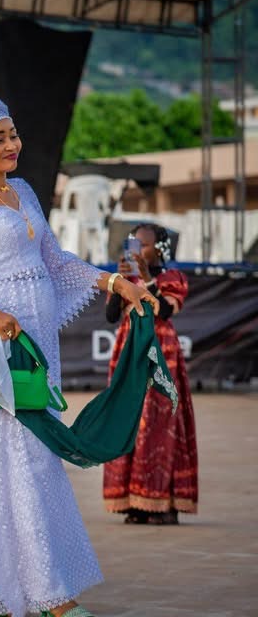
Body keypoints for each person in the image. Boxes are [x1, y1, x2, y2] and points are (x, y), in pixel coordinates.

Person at [0, 97, 158, 617]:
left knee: (32, 458)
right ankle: (48, 595)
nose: (12, 144)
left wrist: (115, 282)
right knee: (9, 459)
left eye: (13, 134)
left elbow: (54, 261)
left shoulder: (22, 192)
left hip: (38, 339)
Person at [103, 223, 198, 525]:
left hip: (161, 354)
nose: (136, 251)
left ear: (160, 249)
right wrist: (119, 283)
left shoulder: (173, 278)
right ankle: (134, 502)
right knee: (129, 420)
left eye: (142, 245)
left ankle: (163, 503)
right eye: (133, 244)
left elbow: (165, 312)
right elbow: (110, 316)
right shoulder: (124, 279)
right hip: (129, 350)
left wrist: (146, 278)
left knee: (160, 423)